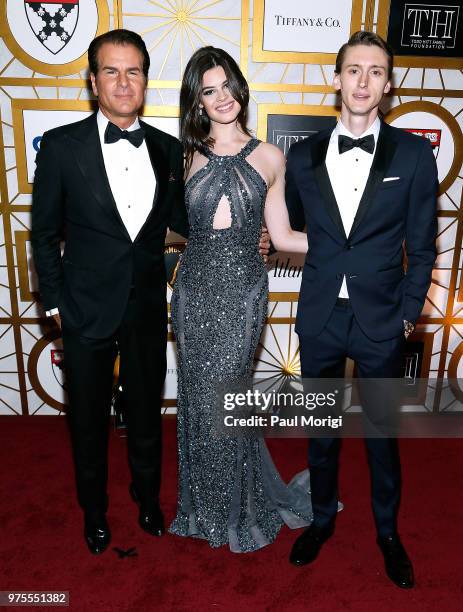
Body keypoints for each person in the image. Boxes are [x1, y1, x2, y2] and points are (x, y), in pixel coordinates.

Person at [31, 29, 193, 555]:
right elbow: (44, 232)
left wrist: (245, 233)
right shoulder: (60, 147)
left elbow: (185, 223)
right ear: (93, 80)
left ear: (146, 79)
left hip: (145, 307)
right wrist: (55, 303)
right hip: (82, 310)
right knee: (88, 420)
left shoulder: (170, 151)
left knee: (148, 413)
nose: (124, 82)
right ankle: (94, 511)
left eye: (134, 71)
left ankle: (148, 499)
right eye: (111, 71)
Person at [285, 31, 437, 588]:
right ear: (336, 78)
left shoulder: (415, 155)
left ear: (388, 85)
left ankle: (387, 533)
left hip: (381, 321)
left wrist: (405, 315)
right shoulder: (302, 157)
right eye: (353, 70)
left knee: (381, 434)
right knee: (321, 430)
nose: (363, 81)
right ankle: (321, 519)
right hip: (322, 315)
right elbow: (300, 228)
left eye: (375, 72)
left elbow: (423, 247)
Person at [169, 46, 314, 552]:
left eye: (227, 85)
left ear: (239, 88)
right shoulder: (182, 155)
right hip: (193, 293)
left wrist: (352, 245)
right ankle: (203, 508)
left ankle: (237, 509)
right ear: (197, 101)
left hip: (245, 291)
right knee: (199, 399)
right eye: (209, 90)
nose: (221, 97)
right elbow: (161, 227)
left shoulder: (271, 156)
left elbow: (284, 235)